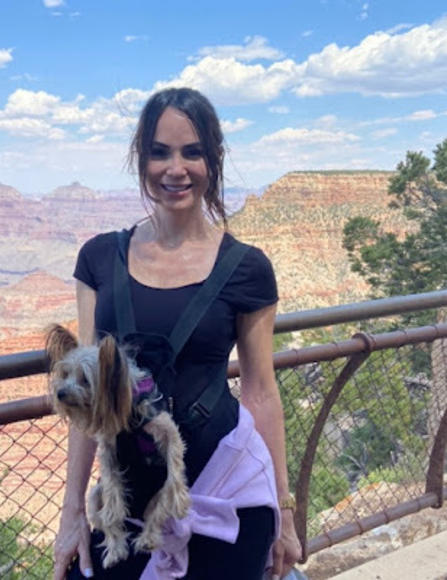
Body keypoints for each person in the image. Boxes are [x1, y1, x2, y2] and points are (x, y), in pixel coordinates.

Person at [53, 87, 302, 580]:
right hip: (127, 510)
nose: (176, 169)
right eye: (160, 152)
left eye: (192, 152)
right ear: (140, 159)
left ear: (214, 160)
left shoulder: (247, 268)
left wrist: (285, 511)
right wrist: (72, 511)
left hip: (227, 500)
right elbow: (86, 397)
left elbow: (260, 391)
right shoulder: (98, 260)